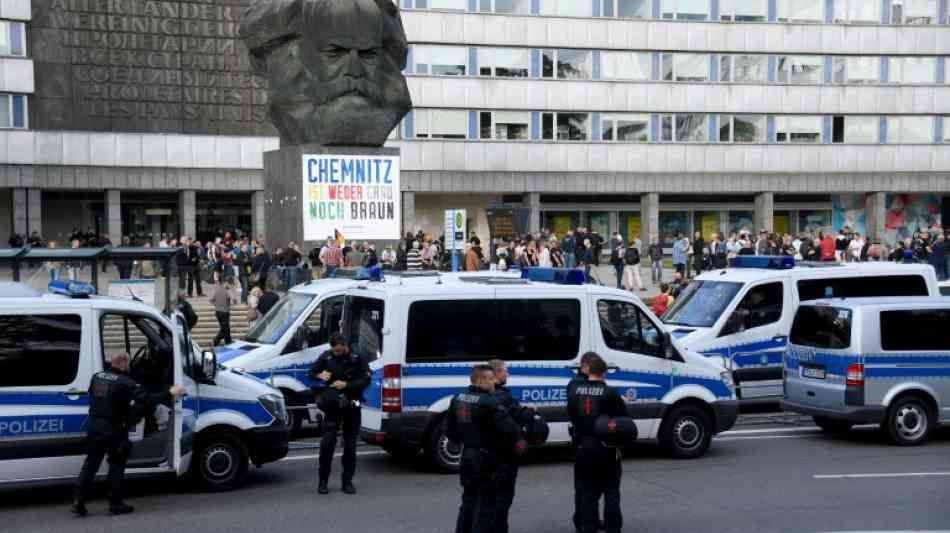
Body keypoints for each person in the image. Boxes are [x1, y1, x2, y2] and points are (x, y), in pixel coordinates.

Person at [72, 352, 186, 516]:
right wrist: (171, 392)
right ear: (124, 364)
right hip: (114, 430)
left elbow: (96, 396)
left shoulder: (96, 377)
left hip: (95, 427)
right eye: (128, 364)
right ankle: (116, 504)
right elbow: (147, 400)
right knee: (116, 467)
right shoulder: (127, 382)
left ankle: (78, 501)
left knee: (91, 464)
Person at [445, 365, 522, 533]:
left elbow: (450, 432)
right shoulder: (490, 402)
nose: (494, 382)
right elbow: (511, 430)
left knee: (468, 500)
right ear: (480, 380)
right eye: (490, 379)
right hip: (487, 458)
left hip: (467, 456)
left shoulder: (457, 398)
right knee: (486, 505)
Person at [568, 353, 629, 533]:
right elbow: (622, 419)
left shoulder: (575, 390)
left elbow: (572, 414)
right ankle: (613, 527)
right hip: (606, 447)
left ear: (588, 371)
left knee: (587, 491)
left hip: (583, 446)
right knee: (611, 491)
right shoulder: (610, 392)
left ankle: (587, 526)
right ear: (604, 373)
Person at [308, 334, 371, 495]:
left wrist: (347, 384)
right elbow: (311, 373)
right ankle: (323, 482)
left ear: (344, 345)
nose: (336, 353)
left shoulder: (358, 357)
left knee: (350, 445)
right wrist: (319, 375)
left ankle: (347, 482)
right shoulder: (326, 356)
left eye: (338, 350)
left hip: (353, 401)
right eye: (333, 350)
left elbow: (366, 380)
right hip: (333, 403)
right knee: (327, 443)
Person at [488, 359, 534, 533]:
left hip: (483, 454)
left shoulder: (482, 396)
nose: (508, 374)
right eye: (506, 371)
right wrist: (530, 411)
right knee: (503, 498)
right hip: (504, 455)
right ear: (497, 373)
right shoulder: (504, 397)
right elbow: (519, 419)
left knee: (484, 498)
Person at [210, 278, 234, 346]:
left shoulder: (217, 289)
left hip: (217, 312)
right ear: (226, 283)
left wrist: (216, 305)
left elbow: (211, 300)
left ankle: (228, 342)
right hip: (224, 312)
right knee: (225, 329)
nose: (230, 285)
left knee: (226, 328)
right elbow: (234, 299)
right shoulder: (226, 290)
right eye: (229, 284)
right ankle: (215, 341)